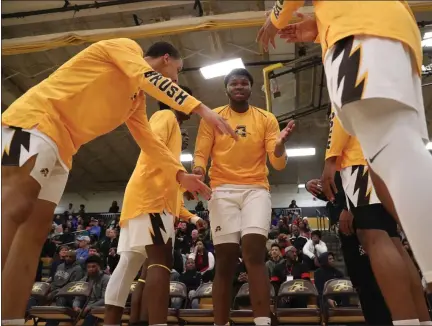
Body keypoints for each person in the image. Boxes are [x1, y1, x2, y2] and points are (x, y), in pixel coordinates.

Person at [1, 38, 236, 324]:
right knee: (13, 208)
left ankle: (9, 319)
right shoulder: (126, 48)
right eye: (177, 71)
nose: (175, 78)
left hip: (64, 150)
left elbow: (148, 142)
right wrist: (202, 109)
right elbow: (145, 75)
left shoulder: (136, 100)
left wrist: (179, 175)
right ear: (165, 59)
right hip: (30, 123)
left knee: (33, 238)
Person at [258, 0, 432, 304]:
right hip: (393, 30)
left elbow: (337, 121)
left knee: (376, 233)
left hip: (357, 33)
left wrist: (275, 18)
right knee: (403, 152)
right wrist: (319, 27)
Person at [193, 68, 295, 326]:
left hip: (255, 190)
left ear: (251, 88)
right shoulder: (212, 118)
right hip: (222, 191)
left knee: (254, 255)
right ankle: (221, 323)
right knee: (225, 261)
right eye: (234, 84)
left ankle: (262, 321)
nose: (239, 87)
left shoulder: (266, 118)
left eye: (244, 84)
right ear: (226, 89)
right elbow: (201, 154)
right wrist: (196, 172)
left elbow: (278, 163)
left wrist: (280, 146)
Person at [104, 85, 204, 326]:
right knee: (160, 261)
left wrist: (182, 187)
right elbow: (152, 146)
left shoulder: (171, 126)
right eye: (187, 98)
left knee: (128, 265)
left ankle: (110, 322)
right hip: (152, 201)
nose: (191, 103)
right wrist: (182, 175)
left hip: (142, 199)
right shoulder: (165, 115)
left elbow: (159, 164)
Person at [322, 107, 430, 324]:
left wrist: (330, 161)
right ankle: (422, 319)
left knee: (374, 237)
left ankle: (404, 320)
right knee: (394, 241)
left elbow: (342, 110)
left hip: (360, 162)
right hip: (391, 159)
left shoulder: (349, 78)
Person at [306, 177, 392, 325]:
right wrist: (309, 185)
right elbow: (332, 191)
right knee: (362, 286)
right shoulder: (338, 174)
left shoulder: (353, 161)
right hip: (349, 237)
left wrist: (349, 207)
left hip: (366, 222)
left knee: (377, 285)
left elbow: (363, 177)